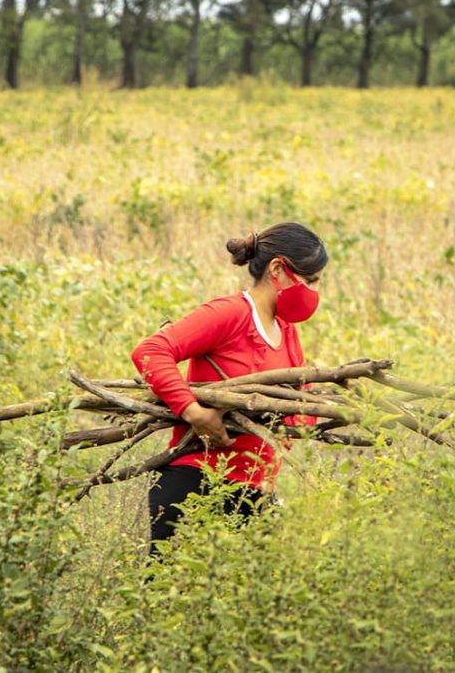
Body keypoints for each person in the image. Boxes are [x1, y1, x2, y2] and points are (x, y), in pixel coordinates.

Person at [130, 221, 328, 555]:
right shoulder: (230, 314)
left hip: (255, 492)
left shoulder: (286, 330)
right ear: (278, 269)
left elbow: (296, 407)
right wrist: (193, 413)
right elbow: (150, 352)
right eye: (310, 281)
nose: (313, 292)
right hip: (196, 485)